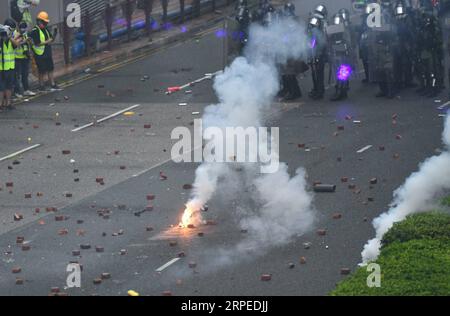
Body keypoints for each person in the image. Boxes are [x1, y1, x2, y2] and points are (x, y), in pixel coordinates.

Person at [29, 11, 59, 91]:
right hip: (39, 54)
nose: (45, 25)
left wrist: (55, 33)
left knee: (50, 68)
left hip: (47, 52)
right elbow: (37, 44)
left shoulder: (45, 30)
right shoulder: (35, 31)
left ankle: (52, 83)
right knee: (41, 70)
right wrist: (47, 41)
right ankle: (41, 85)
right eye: (44, 23)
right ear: (39, 21)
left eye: (46, 23)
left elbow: (51, 40)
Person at [1, 19, 20, 111]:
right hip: (1, 67)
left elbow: (16, 44)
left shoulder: (12, 38)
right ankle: (1, 104)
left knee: (9, 86)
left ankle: (8, 103)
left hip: (10, 67)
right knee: (1, 87)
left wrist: (9, 37)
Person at [307, 15, 328, 100]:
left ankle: (319, 92)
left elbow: (321, 44)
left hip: (318, 56)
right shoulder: (313, 32)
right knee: (315, 74)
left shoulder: (318, 32)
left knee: (318, 75)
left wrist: (316, 53)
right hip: (314, 55)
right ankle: (317, 90)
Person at [14, 21, 35, 98]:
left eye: (24, 28)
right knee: (17, 76)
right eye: (22, 28)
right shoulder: (15, 34)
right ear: (18, 27)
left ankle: (26, 90)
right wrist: (24, 42)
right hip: (17, 58)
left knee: (25, 75)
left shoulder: (25, 33)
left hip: (25, 57)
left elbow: (27, 43)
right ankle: (17, 92)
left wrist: (29, 42)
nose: (23, 30)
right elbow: (15, 44)